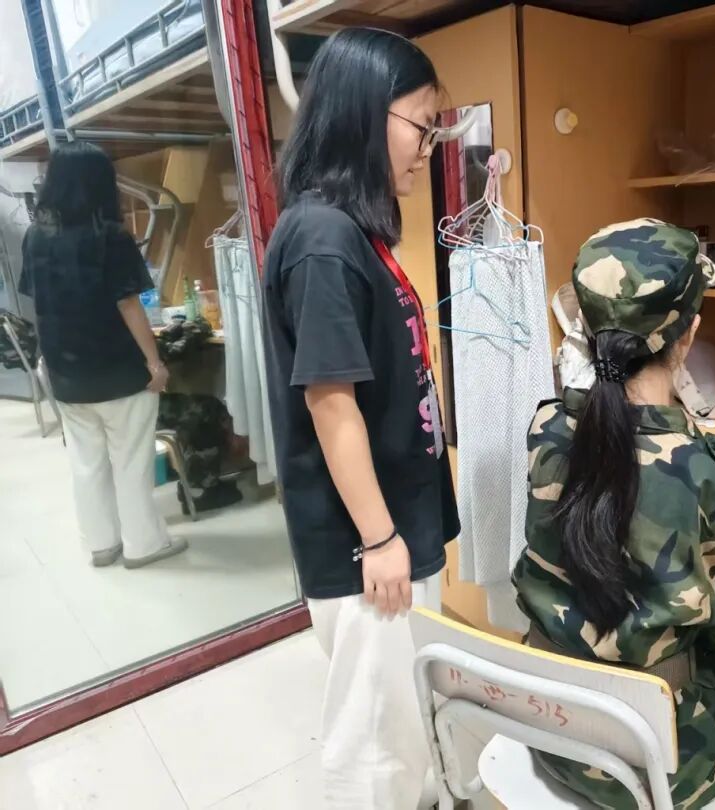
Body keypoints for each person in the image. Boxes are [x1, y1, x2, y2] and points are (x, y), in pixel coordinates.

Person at [513, 219, 715, 810]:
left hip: (547, 722)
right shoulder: (707, 474)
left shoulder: (548, 425)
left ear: (586, 329)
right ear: (689, 336)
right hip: (643, 766)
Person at [261, 28, 459, 810]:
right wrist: (379, 539)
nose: (427, 150)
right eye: (421, 126)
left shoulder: (353, 230)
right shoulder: (322, 239)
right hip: (364, 543)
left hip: (392, 525)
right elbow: (330, 399)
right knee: (373, 747)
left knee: (402, 721)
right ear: (364, 114)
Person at [19, 141, 186, 568]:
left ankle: (102, 544)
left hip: (65, 372)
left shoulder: (35, 238)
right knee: (131, 461)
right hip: (118, 369)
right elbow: (128, 304)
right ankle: (144, 544)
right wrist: (155, 363)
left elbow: (38, 303)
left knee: (86, 462)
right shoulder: (111, 237)